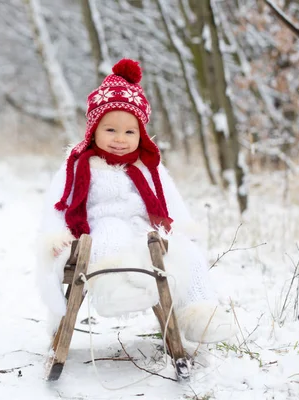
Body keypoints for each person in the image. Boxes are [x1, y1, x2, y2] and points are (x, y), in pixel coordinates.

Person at [35, 58, 235, 344]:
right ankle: (115, 290)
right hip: (98, 228)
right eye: (110, 130)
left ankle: (198, 313)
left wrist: (179, 232)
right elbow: (59, 203)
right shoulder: (78, 164)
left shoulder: (148, 166)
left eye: (130, 132)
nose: (120, 139)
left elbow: (170, 201)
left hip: (145, 231)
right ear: (93, 129)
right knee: (111, 232)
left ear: (141, 133)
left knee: (183, 252)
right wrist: (55, 236)